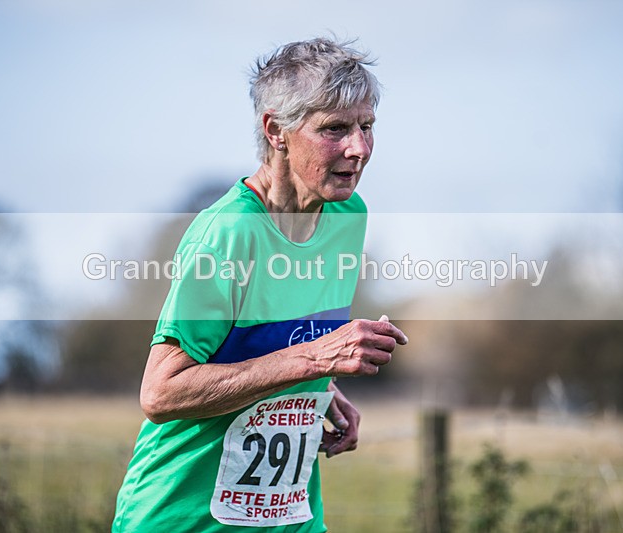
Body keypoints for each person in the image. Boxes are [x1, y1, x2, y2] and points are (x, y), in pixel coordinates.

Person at [112, 37, 408, 532]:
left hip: (290, 519)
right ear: (277, 131)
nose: (358, 148)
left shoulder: (349, 216)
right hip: (182, 519)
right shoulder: (229, 233)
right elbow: (161, 393)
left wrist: (318, 389)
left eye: (367, 126)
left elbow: (278, 339)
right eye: (335, 128)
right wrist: (318, 360)